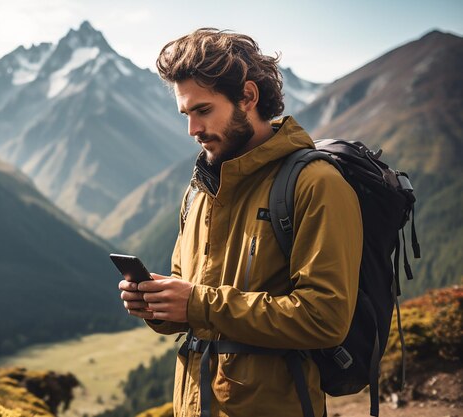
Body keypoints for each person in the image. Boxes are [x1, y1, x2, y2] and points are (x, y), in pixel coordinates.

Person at [118, 28, 362, 417]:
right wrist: (156, 304)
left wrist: (197, 303)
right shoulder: (199, 191)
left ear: (248, 97)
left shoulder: (316, 184)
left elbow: (325, 318)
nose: (192, 130)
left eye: (203, 111)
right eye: (186, 114)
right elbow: (192, 308)